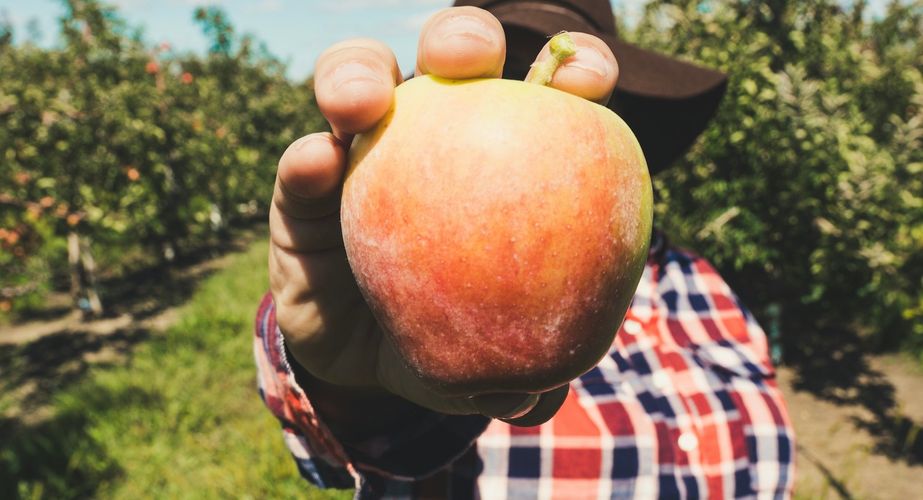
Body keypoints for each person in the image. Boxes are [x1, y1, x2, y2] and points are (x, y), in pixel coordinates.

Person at [255, 0, 795, 497]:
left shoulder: (705, 288)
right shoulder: (399, 278)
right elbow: (381, 447)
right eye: (506, 70)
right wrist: (354, 393)